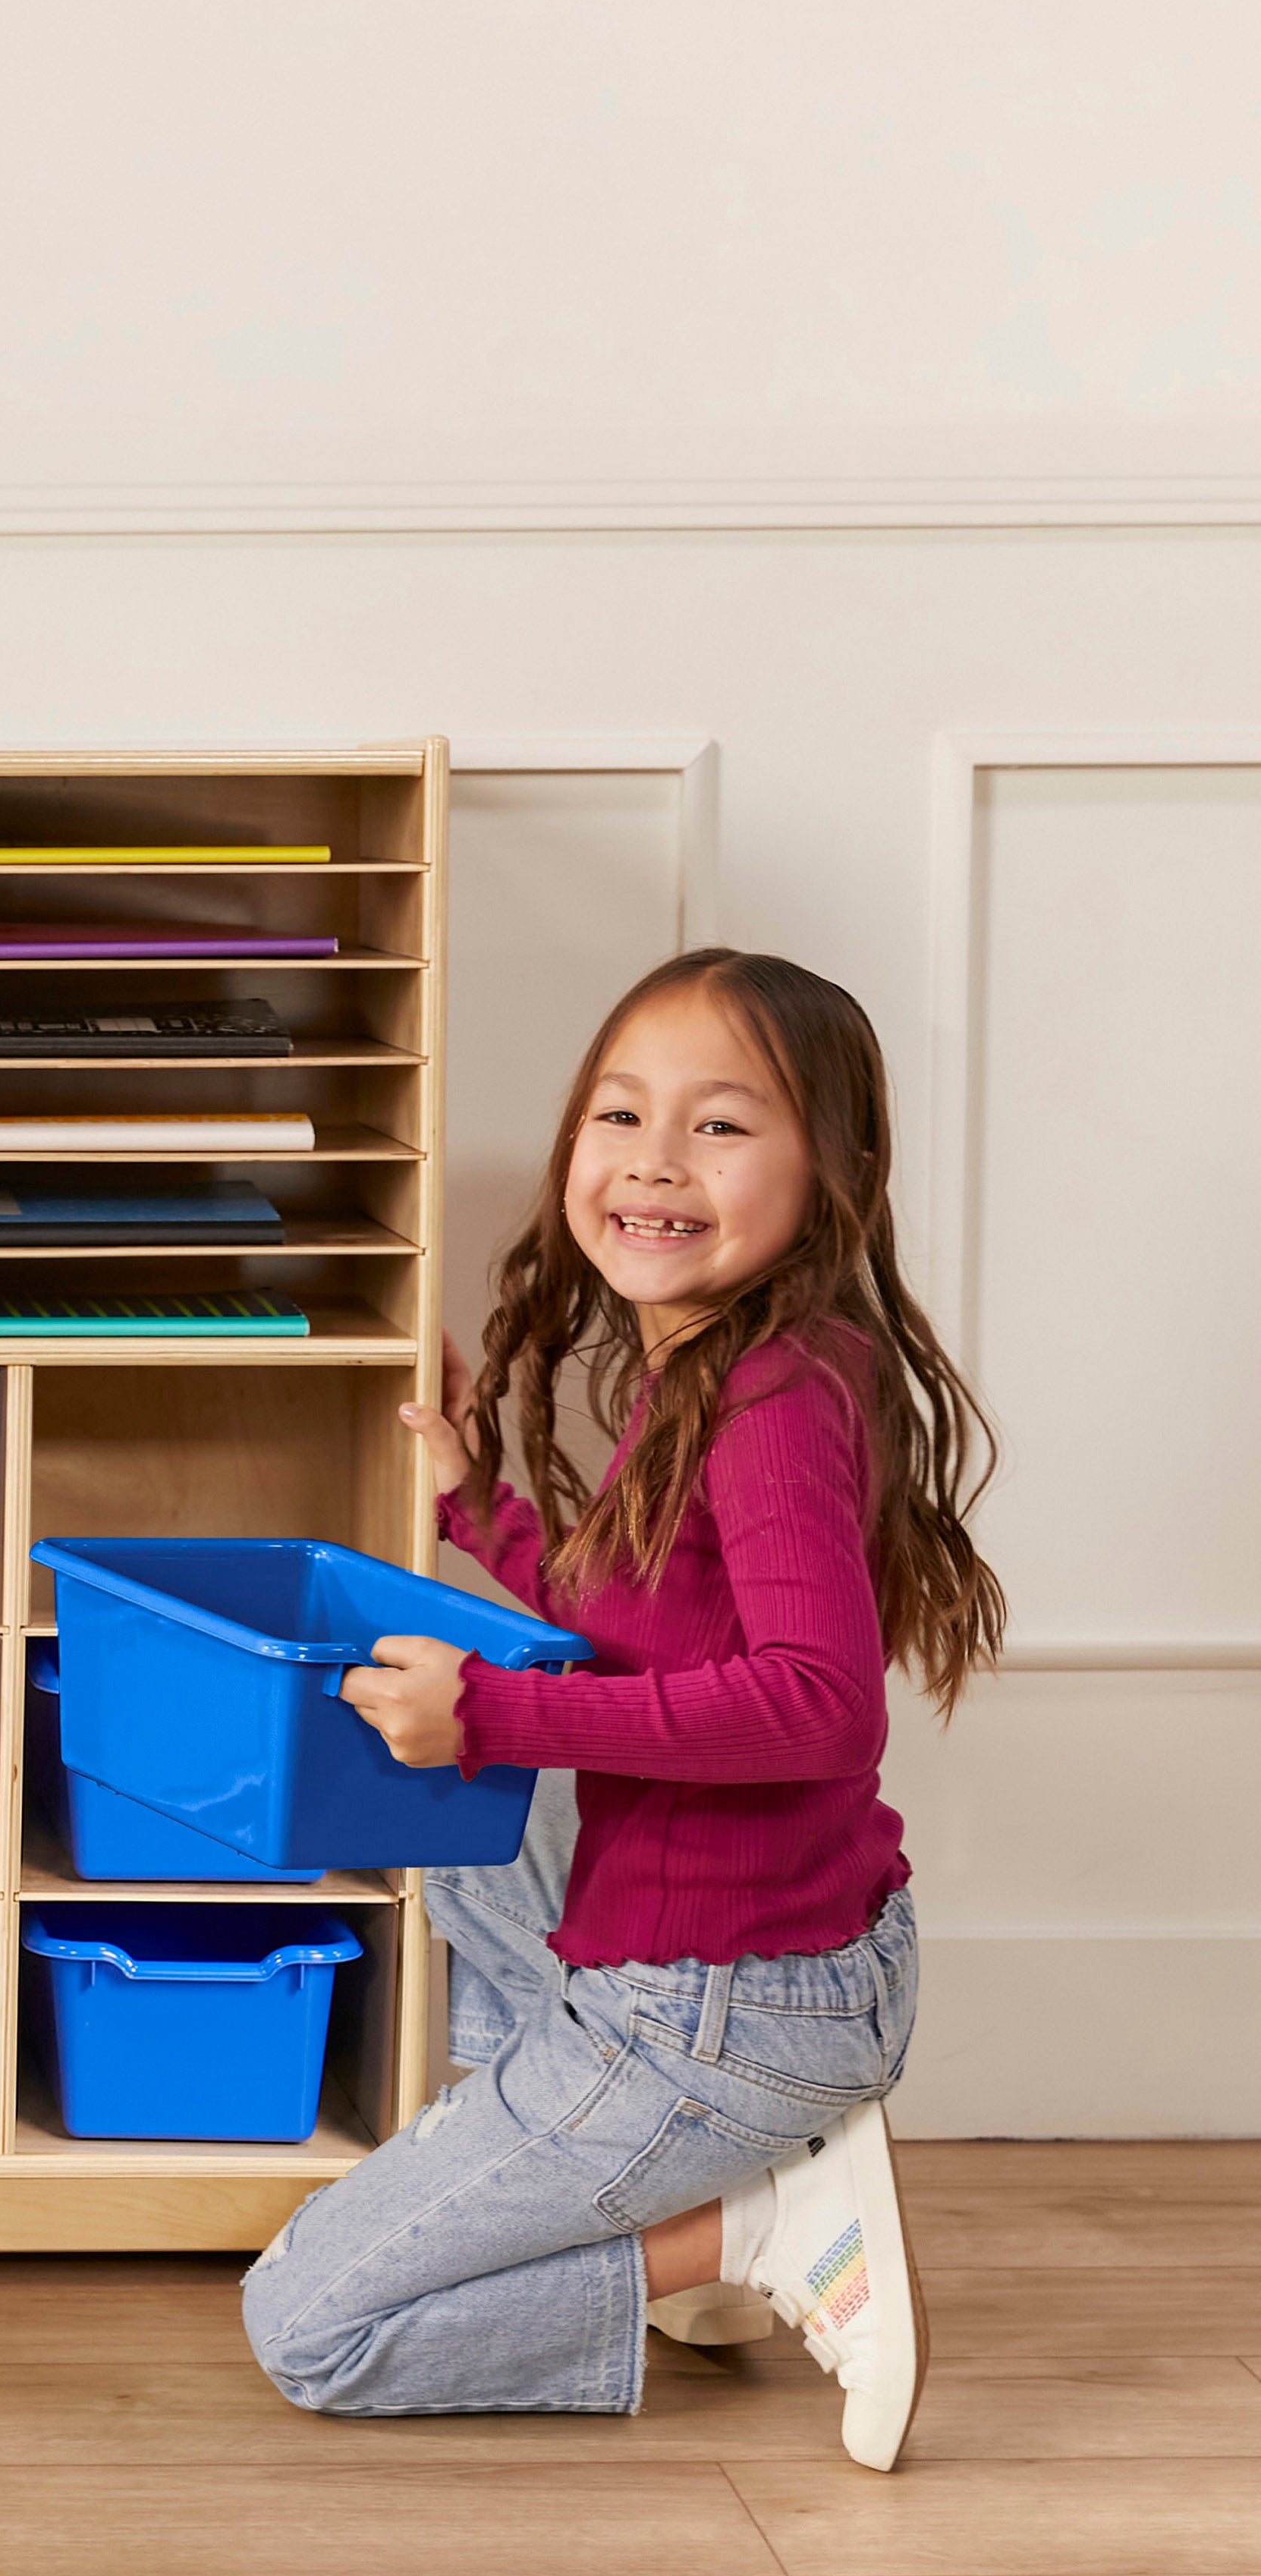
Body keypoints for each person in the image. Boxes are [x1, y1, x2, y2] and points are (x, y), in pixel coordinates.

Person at [238, 947, 1004, 2470]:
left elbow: (812, 1706)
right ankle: (650, 2160)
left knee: (310, 2318)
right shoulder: (734, 1361)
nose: (652, 1159)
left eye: (718, 1125)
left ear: (831, 1169)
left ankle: (745, 2226)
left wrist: (494, 1720)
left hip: (722, 2006)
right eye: (618, 1113)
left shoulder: (774, 1404)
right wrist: (480, 1512)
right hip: (782, 1950)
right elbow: (642, 1619)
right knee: (457, 1843)